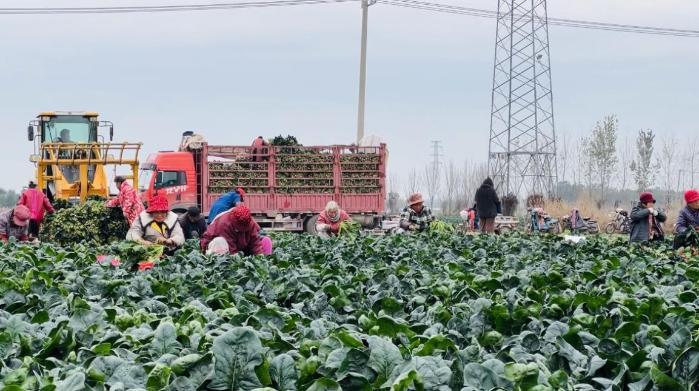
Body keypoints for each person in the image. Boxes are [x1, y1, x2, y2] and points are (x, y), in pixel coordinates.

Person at [200, 205, 270, 256]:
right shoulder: (224, 223)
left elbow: (255, 242)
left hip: (240, 248)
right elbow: (231, 249)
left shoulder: (250, 222)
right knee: (220, 242)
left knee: (266, 241)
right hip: (220, 248)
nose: (242, 230)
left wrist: (260, 258)